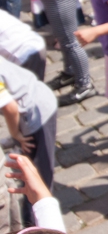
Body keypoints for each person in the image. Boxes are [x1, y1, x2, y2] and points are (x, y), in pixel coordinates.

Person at [0, 58, 57, 226]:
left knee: (38, 173)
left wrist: (16, 134)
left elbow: (10, 107)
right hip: (35, 99)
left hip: (36, 113)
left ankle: (35, 222)